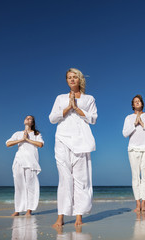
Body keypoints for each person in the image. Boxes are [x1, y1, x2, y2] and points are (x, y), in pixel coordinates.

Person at [49, 68, 97, 227]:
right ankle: (60, 216)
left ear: (80, 79)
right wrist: (68, 107)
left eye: (74, 77)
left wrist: (76, 108)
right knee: (64, 179)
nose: (71, 79)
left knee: (81, 179)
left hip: (81, 142)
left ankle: (79, 216)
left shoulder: (89, 99)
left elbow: (93, 119)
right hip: (62, 139)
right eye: (69, 77)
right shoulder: (60, 98)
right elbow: (52, 118)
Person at [122, 95, 145, 212]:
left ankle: (144, 203)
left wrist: (142, 124)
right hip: (133, 149)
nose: (137, 103)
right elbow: (125, 133)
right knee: (135, 177)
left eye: (139, 101)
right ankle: (137, 204)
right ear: (132, 105)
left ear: (142, 103)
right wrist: (134, 124)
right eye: (135, 102)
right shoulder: (128, 118)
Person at [6, 115, 44, 217]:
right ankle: (17, 210)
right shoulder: (18, 133)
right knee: (19, 186)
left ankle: (29, 210)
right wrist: (21, 139)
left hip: (31, 163)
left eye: (30, 118)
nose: (27, 119)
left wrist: (27, 140)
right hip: (19, 161)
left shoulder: (36, 134)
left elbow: (40, 144)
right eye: (26, 118)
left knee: (31, 186)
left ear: (32, 123)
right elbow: (8, 143)